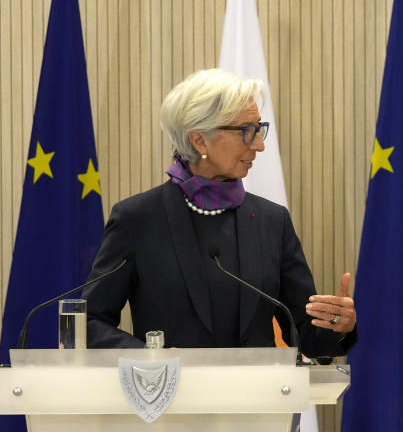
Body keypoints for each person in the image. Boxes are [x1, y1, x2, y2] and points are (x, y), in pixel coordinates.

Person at [85, 68, 356, 355]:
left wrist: (337, 325)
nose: (259, 145)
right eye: (246, 131)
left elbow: (304, 334)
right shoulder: (137, 220)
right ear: (199, 140)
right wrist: (151, 356)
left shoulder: (272, 222)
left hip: (258, 397)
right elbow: (91, 322)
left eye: (259, 128)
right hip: (172, 396)